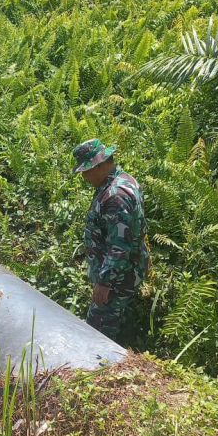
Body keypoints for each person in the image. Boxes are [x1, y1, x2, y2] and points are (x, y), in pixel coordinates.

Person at [72, 138, 149, 344]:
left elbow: (119, 245)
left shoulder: (115, 195)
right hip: (125, 273)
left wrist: (104, 282)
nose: (84, 176)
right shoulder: (124, 180)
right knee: (119, 327)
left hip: (117, 279)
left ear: (99, 165)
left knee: (97, 336)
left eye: (86, 171)